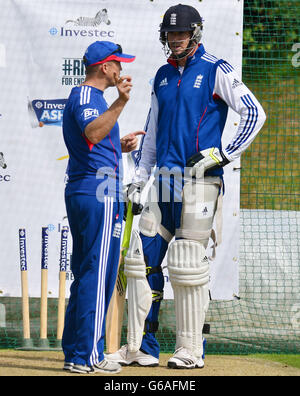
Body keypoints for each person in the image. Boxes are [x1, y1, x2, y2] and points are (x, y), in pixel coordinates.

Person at [106, 4, 266, 369]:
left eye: (181, 34)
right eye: (170, 34)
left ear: (195, 33)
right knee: (140, 262)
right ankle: (141, 347)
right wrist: (139, 178)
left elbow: (255, 113)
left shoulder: (215, 69)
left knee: (187, 263)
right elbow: (153, 132)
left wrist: (222, 155)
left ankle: (190, 350)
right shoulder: (162, 75)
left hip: (200, 183)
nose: (175, 40)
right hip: (163, 182)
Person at [61, 40, 145, 374]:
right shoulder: (87, 96)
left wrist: (119, 146)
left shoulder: (92, 99)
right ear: (105, 67)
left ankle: (76, 353)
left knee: (87, 273)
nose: (122, 70)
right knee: (98, 274)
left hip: (91, 188)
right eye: (118, 64)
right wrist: (121, 102)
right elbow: (93, 132)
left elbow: (94, 138)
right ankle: (88, 355)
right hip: (98, 192)